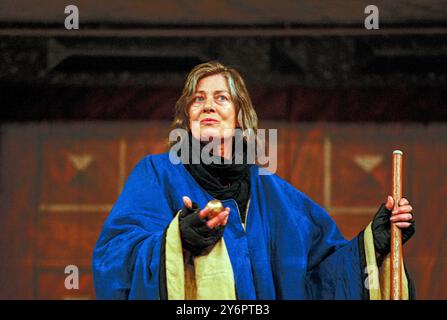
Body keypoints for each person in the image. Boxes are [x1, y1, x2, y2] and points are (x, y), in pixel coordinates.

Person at [92, 61, 415, 300]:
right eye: (197, 98)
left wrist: (374, 243)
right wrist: (176, 243)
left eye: (221, 98)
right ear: (186, 118)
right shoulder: (156, 173)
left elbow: (323, 276)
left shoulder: (277, 195)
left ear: (239, 116)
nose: (208, 106)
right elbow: (113, 260)